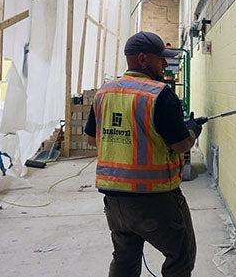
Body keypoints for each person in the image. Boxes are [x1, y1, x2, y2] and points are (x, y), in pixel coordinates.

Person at [84, 31, 203, 277]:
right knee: (180, 255)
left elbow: (91, 139)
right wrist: (192, 130)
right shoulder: (159, 94)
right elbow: (181, 145)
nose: (164, 63)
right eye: (161, 58)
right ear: (143, 59)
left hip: (115, 201)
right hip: (154, 198)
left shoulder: (104, 93)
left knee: (125, 258)